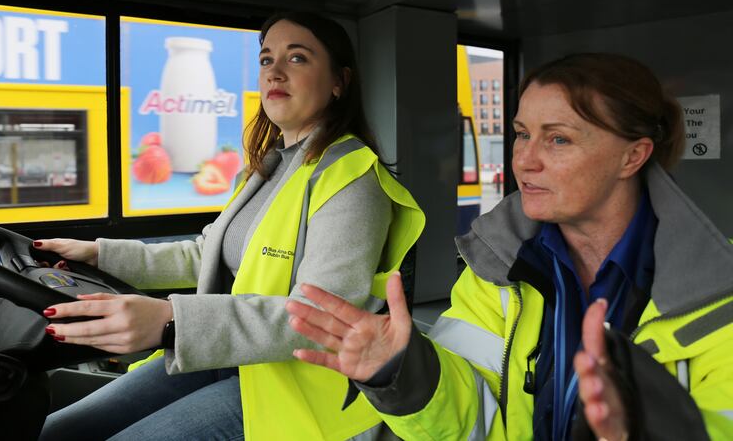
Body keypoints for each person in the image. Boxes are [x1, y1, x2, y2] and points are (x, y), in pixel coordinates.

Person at [287, 53, 733, 440]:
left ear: (632, 156)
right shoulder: (495, 266)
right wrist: (402, 373)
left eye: (558, 139)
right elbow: (470, 420)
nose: (524, 160)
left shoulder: (719, 286)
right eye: (522, 134)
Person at [37, 11, 425, 440]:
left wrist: (171, 320)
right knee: (57, 431)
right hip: (230, 358)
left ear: (339, 81)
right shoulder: (266, 168)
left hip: (295, 387)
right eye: (266, 59)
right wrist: (100, 255)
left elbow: (319, 318)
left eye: (297, 58)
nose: (275, 71)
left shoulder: (353, 179)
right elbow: (206, 254)